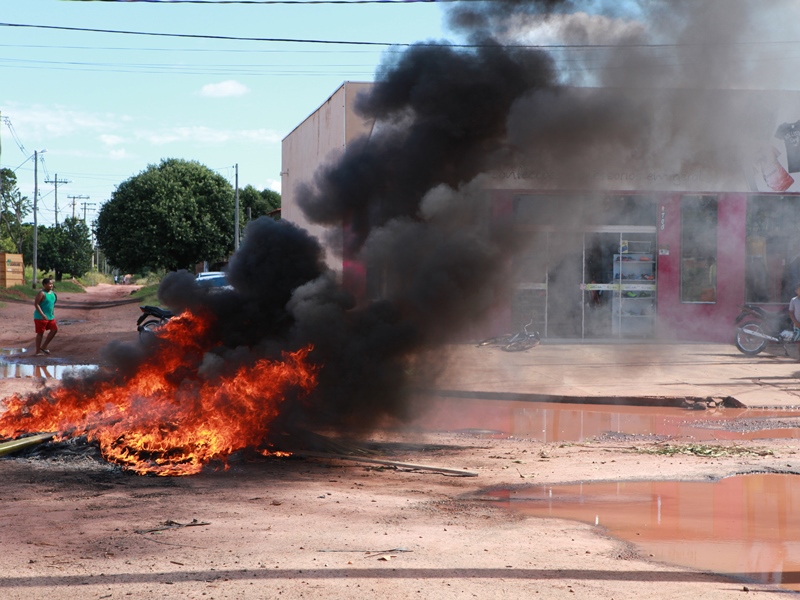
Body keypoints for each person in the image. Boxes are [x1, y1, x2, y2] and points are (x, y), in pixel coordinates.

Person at [34, 277, 58, 356]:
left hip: (50, 316)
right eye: (49, 284)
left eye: (52, 283)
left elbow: (52, 305)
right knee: (40, 333)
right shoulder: (42, 293)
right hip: (40, 317)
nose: (51, 285)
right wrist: (42, 314)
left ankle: (44, 346)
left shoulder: (53, 294)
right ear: (44, 285)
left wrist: (52, 314)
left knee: (54, 330)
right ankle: (37, 351)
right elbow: (36, 304)